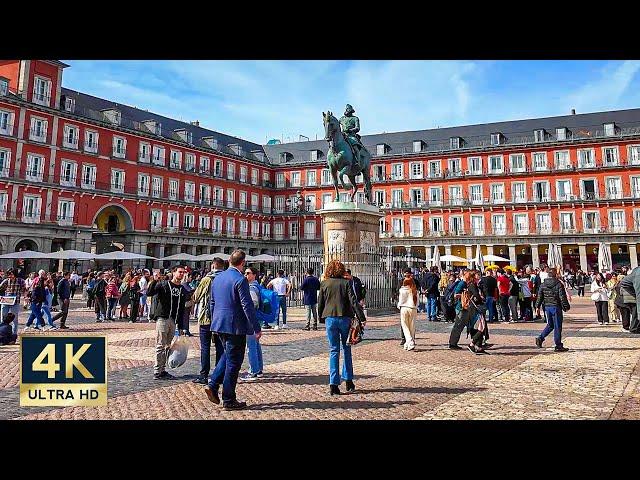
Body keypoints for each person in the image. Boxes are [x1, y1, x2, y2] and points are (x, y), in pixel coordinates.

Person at [204, 250, 262, 410]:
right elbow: (247, 305)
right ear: (242, 263)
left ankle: (213, 384)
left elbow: (212, 302)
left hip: (219, 324)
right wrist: (256, 328)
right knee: (234, 362)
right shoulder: (240, 279)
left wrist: (214, 322)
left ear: (229, 261)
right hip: (235, 326)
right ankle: (228, 398)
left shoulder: (217, 278)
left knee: (226, 355)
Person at [317, 259, 366, 395]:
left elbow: (320, 303)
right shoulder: (346, 283)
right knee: (347, 348)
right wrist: (361, 318)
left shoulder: (324, 283)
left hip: (330, 319)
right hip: (345, 317)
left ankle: (333, 383)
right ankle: (349, 380)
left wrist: (321, 318)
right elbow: (353, 302)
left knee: (333, 350)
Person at [147, 265, 190, 380]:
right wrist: (154, 280)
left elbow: (181, 309)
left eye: (183, 272)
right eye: (179, 272)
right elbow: (149, 293)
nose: (181, 274)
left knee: (167, 346)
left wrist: (181, 326)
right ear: (174, 272)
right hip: (163, 318)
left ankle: (163, 369)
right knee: (160, 345)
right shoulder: (164, 284)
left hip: (173, 320)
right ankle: (157, 371)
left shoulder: (182, 289)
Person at [192, 259, 225, 385]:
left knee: (205, 347)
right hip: (220, 318)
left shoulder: (207, 279)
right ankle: (219, 375)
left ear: (212, 266)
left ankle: (204, 375)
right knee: (220, 347)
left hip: (206, 318)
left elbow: (196, 297)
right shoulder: (225, 279)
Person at [448, 270, 486, 354]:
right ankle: (453, 343)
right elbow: (455, 294)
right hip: (462, 308)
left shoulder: (469, 284)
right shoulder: (463, 283)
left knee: (470, 325)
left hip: (467, 308)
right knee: (458, 326)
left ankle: (477, 342)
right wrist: (465, 294)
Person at [535, 268, 571, 352]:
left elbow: (540, 296)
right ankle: (558, 345)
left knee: (550, 325)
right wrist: (566, 307)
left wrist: (537, 307)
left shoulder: (543, 284)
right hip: (556, 307)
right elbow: (562, 297)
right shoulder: (558, 284)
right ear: (555, 275)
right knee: (557, 326)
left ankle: (540, 338)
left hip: (547, 307)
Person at [239, 266, 265, 381]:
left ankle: (253, 371)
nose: (246, 275)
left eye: (248, 273)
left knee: (251, 346)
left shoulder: (251, 288)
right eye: (245, 273)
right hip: (256, 318)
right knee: (256, 344)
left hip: (251, 319)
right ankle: (259, 369)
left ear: (254, 275)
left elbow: (252, 304)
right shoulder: (257, 286)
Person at [0, 268, 26, 336]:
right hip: (6, 301)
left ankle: (14, 334)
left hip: (15, 302)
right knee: (3, 317)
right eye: (8, 274)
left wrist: (26, 297)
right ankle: (2, 333)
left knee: (14, 319)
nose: (10, 276)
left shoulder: (20, 281)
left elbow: (24, 290)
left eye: (11, 274)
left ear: (15, 274)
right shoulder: (6, 281)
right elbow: (0, 288)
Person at [397, 277, 418, 350]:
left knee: (405, 326)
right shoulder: (415, 290)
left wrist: (399, 306)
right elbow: (417, 302)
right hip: (413, 309)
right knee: (412, 327)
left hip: (404, 308)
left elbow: (401, 301)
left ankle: (409, 341)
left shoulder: (402, 290)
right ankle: (408, 343)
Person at [619, 269, 640, 334]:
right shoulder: (638, 276)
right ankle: (634, 328)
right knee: (635, 312)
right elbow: (638, 294)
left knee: (635, 312)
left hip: (630, 295)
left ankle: (634, 328)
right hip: (628, 296)